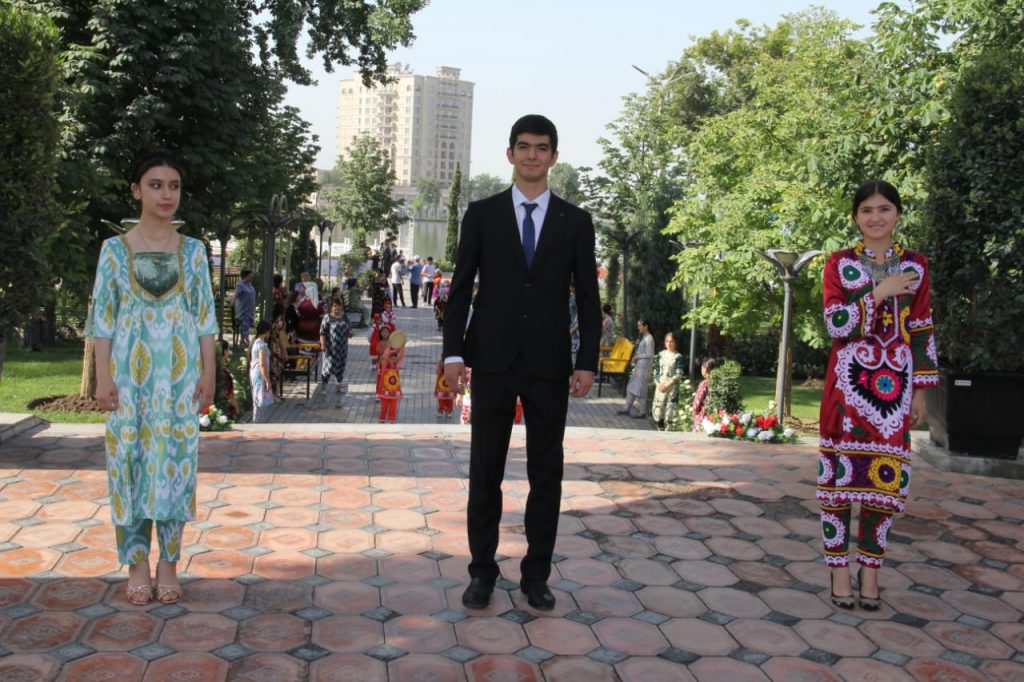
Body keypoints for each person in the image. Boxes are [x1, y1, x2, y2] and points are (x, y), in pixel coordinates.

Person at [443, 114, 601, 611]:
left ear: (554, 157)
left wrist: (587, 360)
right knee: (484, 470)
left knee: (546, 473)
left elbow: (589, 297)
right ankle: (481, 572)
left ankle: (537, 575)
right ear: (510, 153)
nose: (533, 155)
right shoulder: (482, 214)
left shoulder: (575, 222)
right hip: (491, 359)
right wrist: (453, 352)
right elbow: (460, 288)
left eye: (542, 147)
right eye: (525, 146)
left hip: (549, 362)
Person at [86, 152, 217, 606]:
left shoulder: (194, 251)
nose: (166, 194)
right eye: (156, 185)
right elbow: (102, 320)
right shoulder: (113, 250)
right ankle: (137, 564)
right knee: (129, 465)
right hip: (129, 379)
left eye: (174, 186)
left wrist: (209, 373)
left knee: (175, 466)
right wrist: (103, 378)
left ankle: (169, 564)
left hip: (179, 379)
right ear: (136, 191)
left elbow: (205, 318)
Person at [818, 179, 937, 611]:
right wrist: (881, 292)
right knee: (837, 485)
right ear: (855, 217)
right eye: (866, 210)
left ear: (898, 214)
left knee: (882, 485)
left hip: (896, 391)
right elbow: (835, 324)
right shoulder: (839, 263)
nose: (875, 217)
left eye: (884, 208)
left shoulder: (917, 266)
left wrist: (921, 392)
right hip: (846, 389)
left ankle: (870, 574)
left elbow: (922, 329)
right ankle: (838, 571)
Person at [650, 331, 686, 430]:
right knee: (659, 411)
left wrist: (667, 385)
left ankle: (668, 432)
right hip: (660, 386)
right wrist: (658, 384)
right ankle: (659, 430)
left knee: (670, 412)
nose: (669, 344)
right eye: (667, 341)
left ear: (675, 342)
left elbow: (679, 374)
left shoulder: (678, 357)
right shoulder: (660, 354)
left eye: (671, 341)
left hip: (671, 387)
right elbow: (656, 370)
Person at [619, 319, 655, 419]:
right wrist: (636, 358)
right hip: (640, 365)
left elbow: (650, 354)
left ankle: (642, 412)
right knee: (632, 386)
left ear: (646, 326)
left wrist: (637, 357)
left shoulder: (649, 339)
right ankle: (627, 408)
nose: (638, 328)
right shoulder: (644, 337)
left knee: (640, 389)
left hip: (644, 367)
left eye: (640, 326)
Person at [320, 299, 352, 394]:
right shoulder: (327, 317)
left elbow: (350, 329)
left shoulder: (345, 317)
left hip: (342, 348)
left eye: (338, 305)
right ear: (331, 307)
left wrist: (350, 333)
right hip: (330, 348)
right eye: (334, 306)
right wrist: (323, 345)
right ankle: (324, 388)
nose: (336, 307)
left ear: (341, 306)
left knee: (340, 367)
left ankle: (338, 387)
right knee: (327, 368)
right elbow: (322, 333)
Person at [377, 330, 406, 423]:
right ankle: (383, 417)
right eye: (391, 358)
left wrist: (402, 347)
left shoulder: (397, 363)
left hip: (394, 384)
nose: (393, 359)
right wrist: (389, 348)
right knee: (385, 401)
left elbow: (401, 356)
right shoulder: (385, 360)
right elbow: (385, 355)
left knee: (394, 401)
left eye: (394, 358)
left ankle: (392, 418)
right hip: (386, 384)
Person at [249, 320, 274, 422]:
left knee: (256, 398)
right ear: (266, 331)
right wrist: (267, 380)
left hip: (255, 373)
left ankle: (256, 421)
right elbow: (262, 364)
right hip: (260, 374)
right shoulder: (262, 345)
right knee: (260, 399)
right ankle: (258, 422)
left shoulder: (256, 342)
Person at [691, 357, 722, 431]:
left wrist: (694, 411)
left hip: (703, 417)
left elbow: (698, 401)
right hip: (716, 417)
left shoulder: (704, 384)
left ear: (704, 369)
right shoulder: (720, 383)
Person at [214, 339, 240, 420]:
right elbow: (230, 395)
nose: (229, 352)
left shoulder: (211, 369)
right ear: (225, 351)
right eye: (228, 349)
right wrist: (237, 409)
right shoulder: (224, 373)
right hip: (223, 412)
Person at [269, 303, 288, 398]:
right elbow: (280, 337)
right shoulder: (281, 322)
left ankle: (273, 393)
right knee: (277, 370)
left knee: (272, 370)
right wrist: (284, 350)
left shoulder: (271, 321)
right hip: (277, 348)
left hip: (270, 347)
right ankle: (275, 393)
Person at [233, 269, 256, 347]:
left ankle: (243, 341)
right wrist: (232, 303)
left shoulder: (251, 286)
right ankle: (248, 342)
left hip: (250, 311)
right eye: (250, 275)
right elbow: (235, 295)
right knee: (244, 323)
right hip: (243, 311)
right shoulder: (240, 285)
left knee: (250, 324)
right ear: (246, 276)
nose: (252, 277)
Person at [435, 354, 457, 418]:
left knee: (446, 399)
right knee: (444, 398)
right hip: (443, 383)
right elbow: (438, 372)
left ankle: (445, 410)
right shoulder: (442, 363)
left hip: (445, 383)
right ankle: (444, 410)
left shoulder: (451, 364)